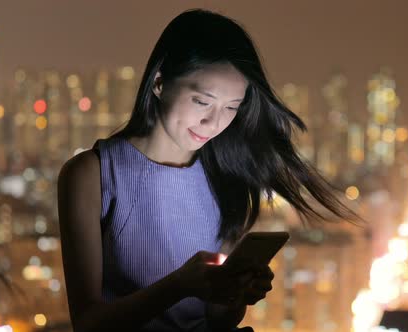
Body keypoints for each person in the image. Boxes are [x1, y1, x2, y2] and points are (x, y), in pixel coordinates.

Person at [57, 8, 361, 332]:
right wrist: (179, 285)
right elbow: (88, 324)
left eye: (231, 107)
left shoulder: (224, 178)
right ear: (159, 82)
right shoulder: (92, 175)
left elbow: (217, 320)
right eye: (202, 102)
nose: (214, 123)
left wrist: (234, 294)